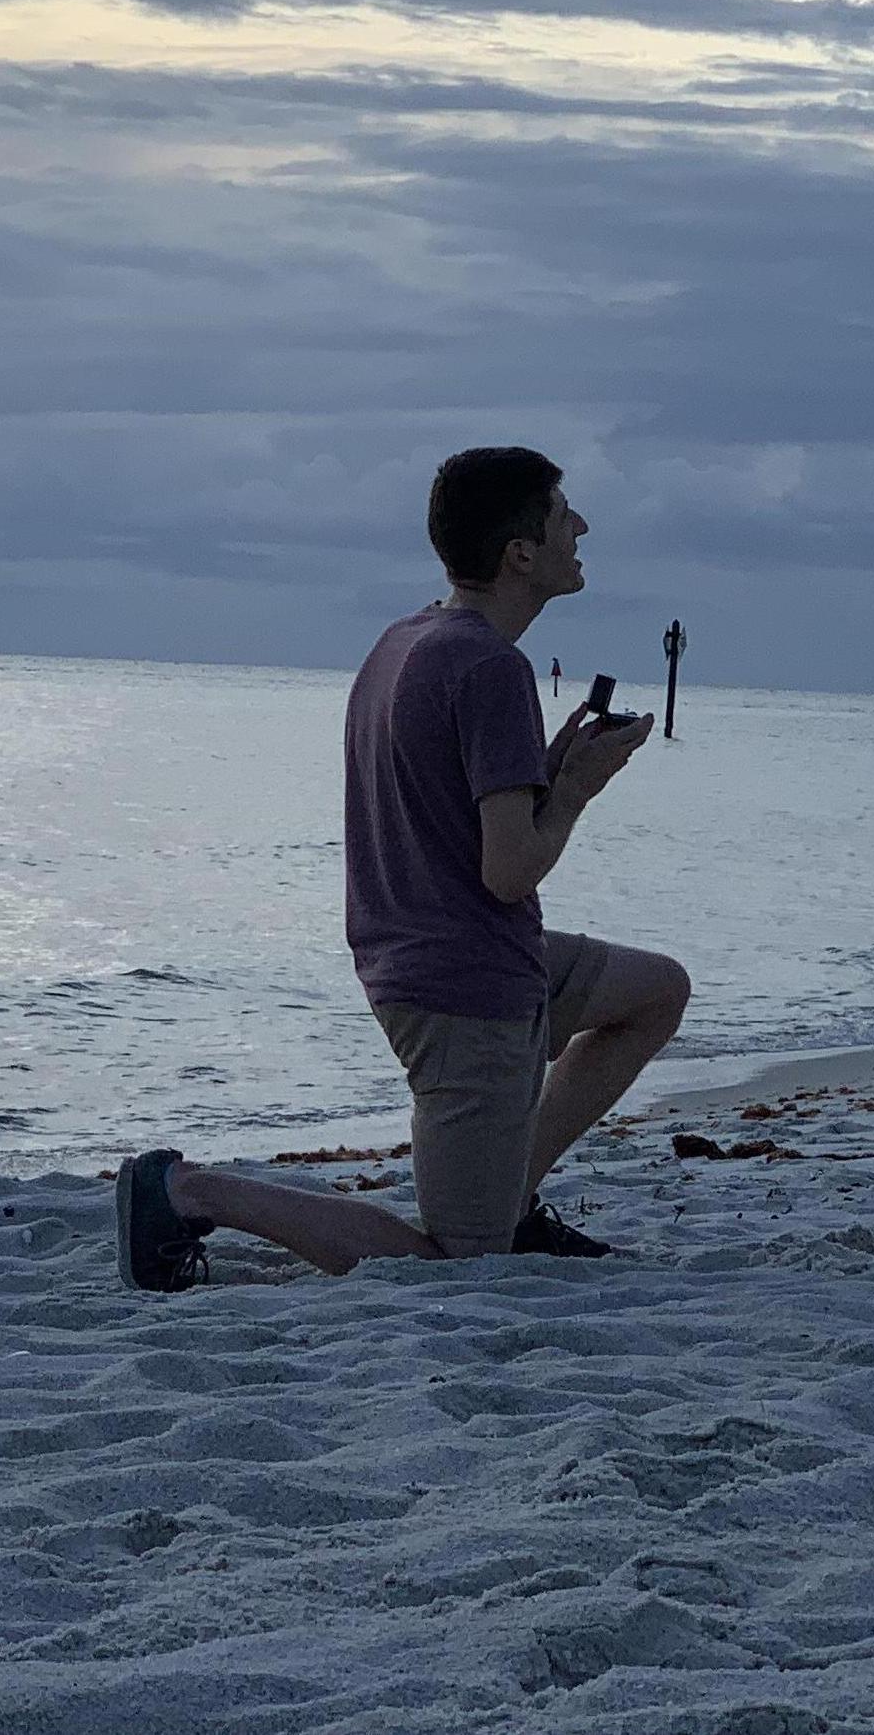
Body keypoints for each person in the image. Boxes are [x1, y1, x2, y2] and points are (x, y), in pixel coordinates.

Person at [116, 448, 691, 1290]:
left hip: (445, 952)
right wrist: (573, 789)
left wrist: (546, 764)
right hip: (464, 988)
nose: (581, 527)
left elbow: (448, 817)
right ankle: (184, 1189)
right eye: (562, 512)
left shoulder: (410, 639)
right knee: (456, 1266)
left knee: (655, 991)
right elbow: (508, 871)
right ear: (519, 553)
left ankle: (511, 1194)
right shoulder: (494, 666)